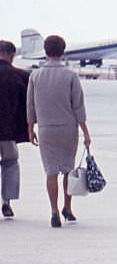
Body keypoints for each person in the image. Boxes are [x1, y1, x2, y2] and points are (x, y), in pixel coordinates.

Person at [26, 35, 92, 228]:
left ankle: (54, 210)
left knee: (51, 172)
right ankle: (68, 207)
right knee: (67, 170)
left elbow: (30, 105)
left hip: (46, 129)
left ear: (45, 51)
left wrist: (30, 128)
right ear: (63, 51)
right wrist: (86, 133)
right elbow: (78, 107)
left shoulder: (35, 76)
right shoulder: (70, 76)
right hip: (68, 129)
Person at [0, 40, 29, 218]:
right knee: (10, 163)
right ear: (12, 55)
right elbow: (29, 105)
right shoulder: (21, 76)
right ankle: (6, 202)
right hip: (8, 132)